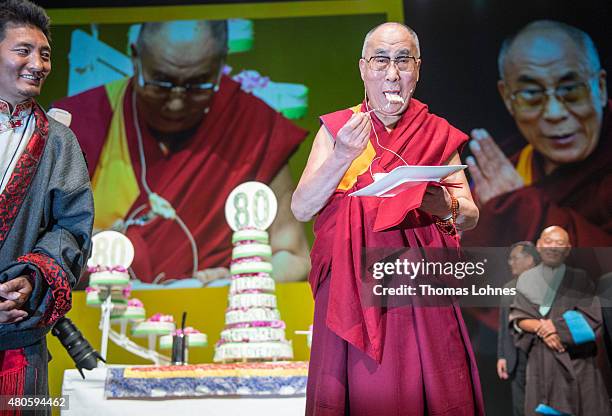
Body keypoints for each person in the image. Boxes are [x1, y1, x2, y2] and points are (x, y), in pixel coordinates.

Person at [292, 22, 484, 415]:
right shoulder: (338, 130)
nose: (392, 75)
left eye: (402, 61)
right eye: (381, 61)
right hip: (350, 291)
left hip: (419, 292)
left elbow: (469, 215)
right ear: (363, 68)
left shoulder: (436, 133)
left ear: (418, 69)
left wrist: (442, 207)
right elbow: (302, 207)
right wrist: (344, 154)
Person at [54, 20, 310, 283]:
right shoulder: (81, 123)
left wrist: (237, 283)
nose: (176, 103)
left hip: (219, 311)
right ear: (135, 59)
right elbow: (46, 251)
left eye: (197, 86)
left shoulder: (252, 127)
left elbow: (293, 256)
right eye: (161, 83)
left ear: (220, 66)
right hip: (105, 312)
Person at [0, 0, 94, 402]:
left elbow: (72, 230)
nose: (37, 62)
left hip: (17, 340)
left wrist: (29, 282)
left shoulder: (59, 142)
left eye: (45, 53)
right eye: (23, 50)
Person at [462, 20, 611, 247]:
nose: (554, 113)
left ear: (600, 88)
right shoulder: (508, 170)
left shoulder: (507, 194)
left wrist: (519, 210)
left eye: (571, 90)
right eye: (531, 94)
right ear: (507, 98)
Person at [509, 226, 611, 415]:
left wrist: (554, 328)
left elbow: (591, 318)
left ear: (568, 249)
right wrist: (542, 327)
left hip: (577, 361)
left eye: (559, 243)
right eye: (549, 242)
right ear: (539, 246)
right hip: (542, 363)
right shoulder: (527, 280)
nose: (553, 247)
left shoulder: (580, 279)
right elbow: (519, 317)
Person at [497, 241, 539, 416]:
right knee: (520, 406)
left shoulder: (546, 284)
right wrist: (502, 356)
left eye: (515, 258)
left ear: (529, 259)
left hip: (540, 353)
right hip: (516, 357)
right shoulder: (508, 288)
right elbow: (503, 326)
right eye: (510, 259)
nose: (510, 262)